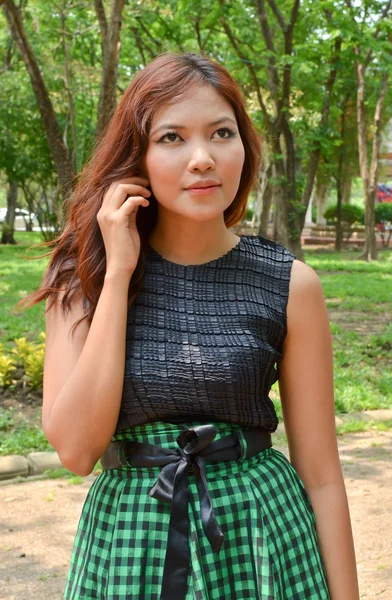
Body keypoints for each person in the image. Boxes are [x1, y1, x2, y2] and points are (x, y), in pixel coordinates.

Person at [25, 52, 359, 598]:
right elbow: (76, 451)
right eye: (172, 138)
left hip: (263, 537)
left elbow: (321, 475)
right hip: (132, 543)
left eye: (221, 133)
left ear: (244, 150)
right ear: (138, 158)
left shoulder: (291, 284)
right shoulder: (80, 277)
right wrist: (118, 275)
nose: (202, 158)